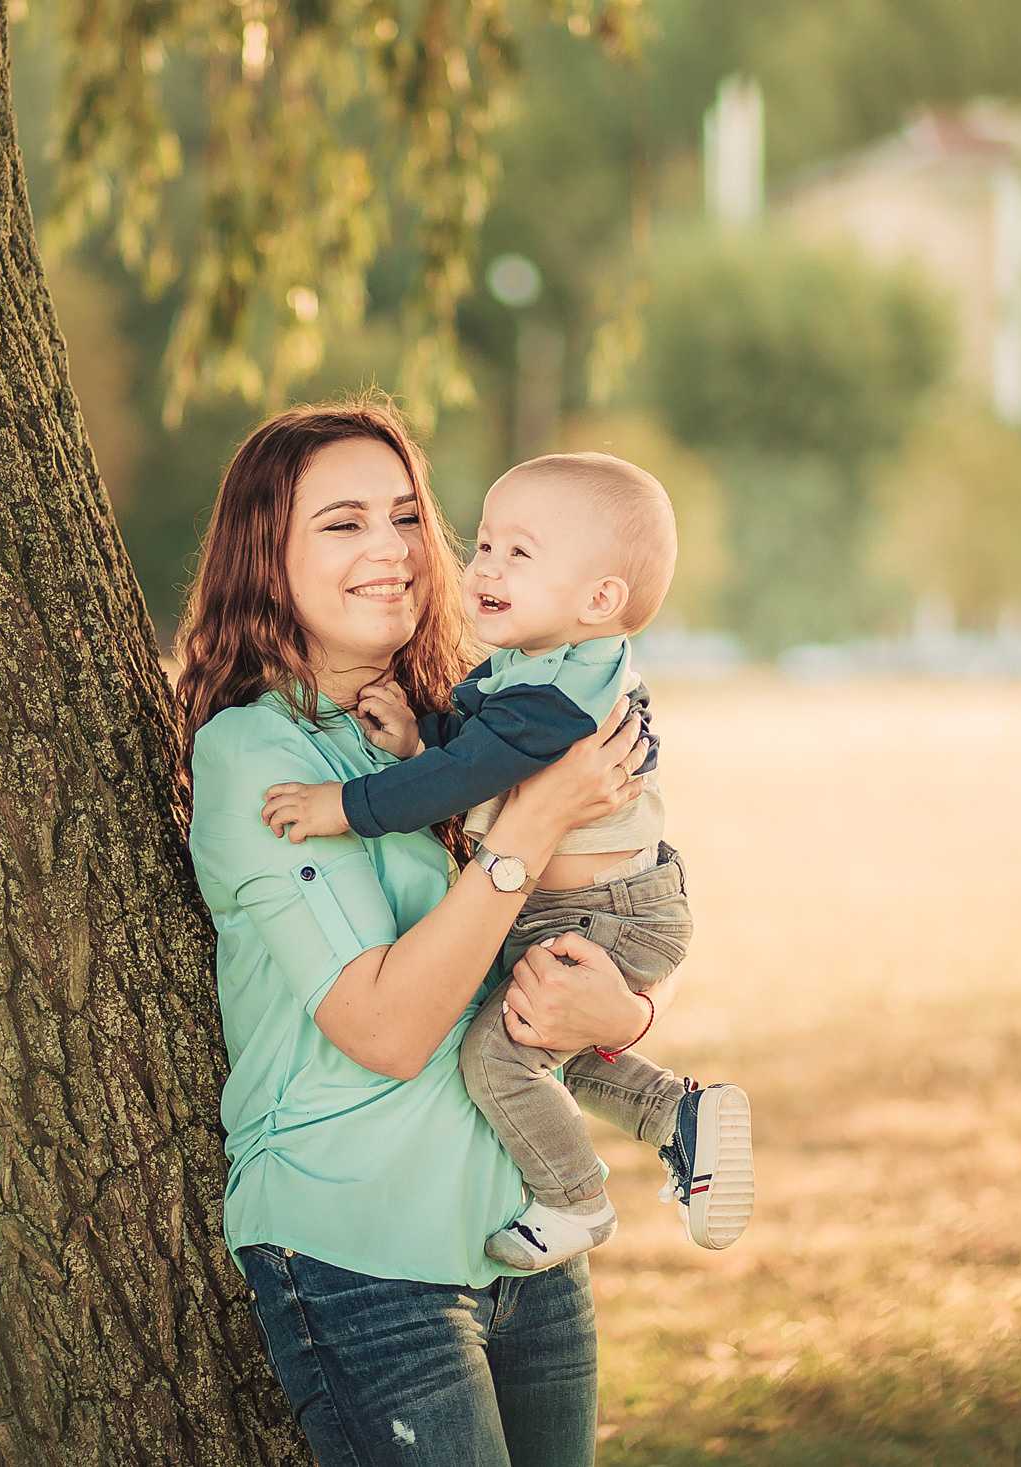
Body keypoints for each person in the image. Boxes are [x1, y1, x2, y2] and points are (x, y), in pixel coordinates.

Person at [179, 400, 661, 1466]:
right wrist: (526, 830)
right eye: (342, 524)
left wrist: (625, 1009)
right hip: (364, 1257)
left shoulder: (456, 726)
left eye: (404, 516)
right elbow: (389, 1030)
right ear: (268, 556)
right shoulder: (256, 759)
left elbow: (571, 935)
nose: (392, 549)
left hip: (520, 1250)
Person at [258, 453, 754, 1276]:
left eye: (518, 553)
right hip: (595, 903)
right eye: (484, 545)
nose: (483, 566)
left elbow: (466, 776)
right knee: (539, 1039)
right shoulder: (544, 662)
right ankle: (681, 1116)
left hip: (602, 911)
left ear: (600, 598)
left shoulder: (561, 697)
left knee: (497, 1056)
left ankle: (574, 1197)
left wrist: (339, 805)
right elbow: (479, 748)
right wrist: (421, 739)